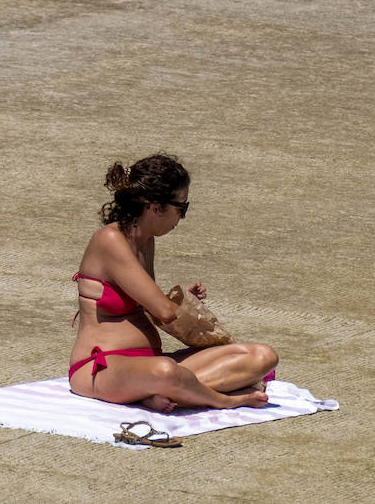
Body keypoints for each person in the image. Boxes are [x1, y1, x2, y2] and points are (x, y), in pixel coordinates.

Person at [69, 153, 277, 413]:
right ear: (155, 207)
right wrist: (170, 303)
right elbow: (165, 312)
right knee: (166, 371)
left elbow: (148, 305)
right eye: (182, 208)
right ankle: (225, 399)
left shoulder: (145, 240)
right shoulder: (110, 240)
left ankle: (167, 393)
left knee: (262, 356)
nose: (182, 218)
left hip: (148, 366)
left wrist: (173, 300)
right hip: (101, 367)